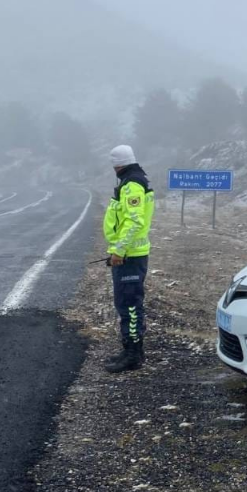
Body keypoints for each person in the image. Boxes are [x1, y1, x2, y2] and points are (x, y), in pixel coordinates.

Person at [103, 145, 155, 372]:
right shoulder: (132, 180)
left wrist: (119, 251)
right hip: (128, 254)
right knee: (126, 304)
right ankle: (131, 350)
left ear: (117, 164)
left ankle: (133, 355)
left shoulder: (132, 184)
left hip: (130, 256)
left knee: (130, 306)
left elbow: (134, 222)